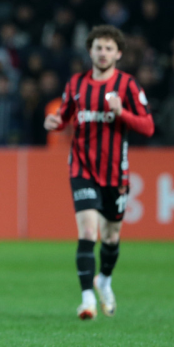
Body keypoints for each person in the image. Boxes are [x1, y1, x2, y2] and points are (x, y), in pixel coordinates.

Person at [44, 25, 154, 320]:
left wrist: (123, 113)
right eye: (98, 47)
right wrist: (53, 122)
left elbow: (148, 126)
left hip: (116, 174)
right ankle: (86, 299)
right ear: (90, 51)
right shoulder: (76, 84)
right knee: (88, 231)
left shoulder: (128, 86)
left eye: (108, 48)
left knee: (111, 237)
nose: (103, 53)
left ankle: (104, 280)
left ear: (118, 53)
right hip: (82, 168)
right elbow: (65, 116)